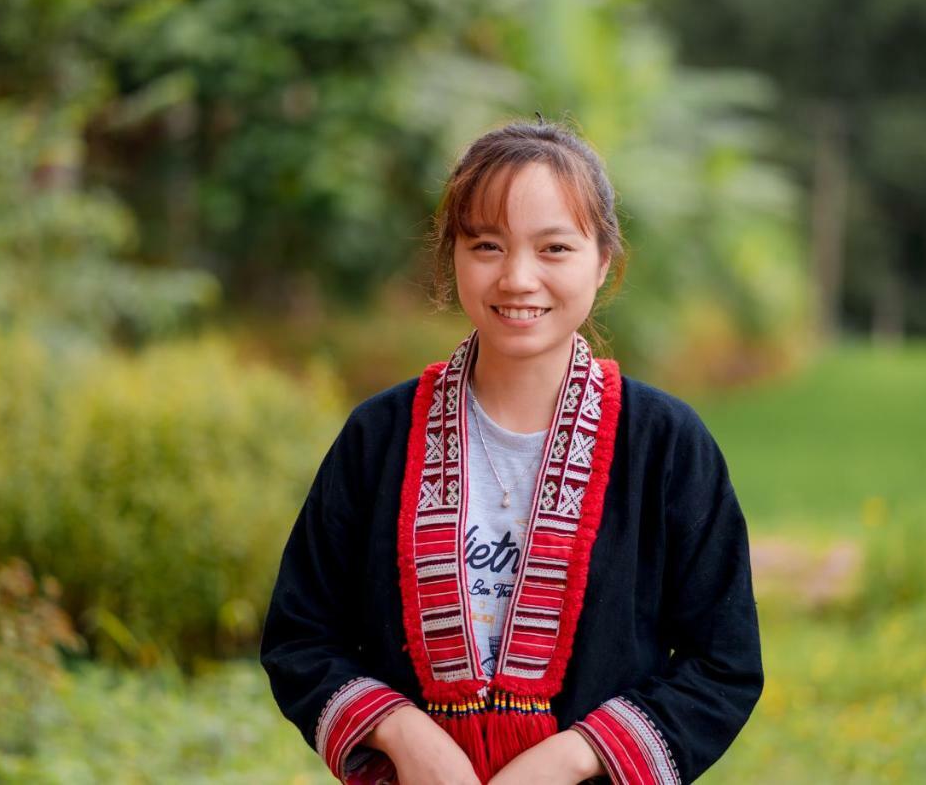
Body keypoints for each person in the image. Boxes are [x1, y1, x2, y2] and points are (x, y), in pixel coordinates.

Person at [259, 118, 763, 784]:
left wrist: (573, 755)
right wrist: (405, 733)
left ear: (603, 261)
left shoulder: (666, 444)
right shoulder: (378, 438)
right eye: (487, 245)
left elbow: (723, 661)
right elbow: (301, 634)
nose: (518, 278)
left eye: (554, 248)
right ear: (453, 257)